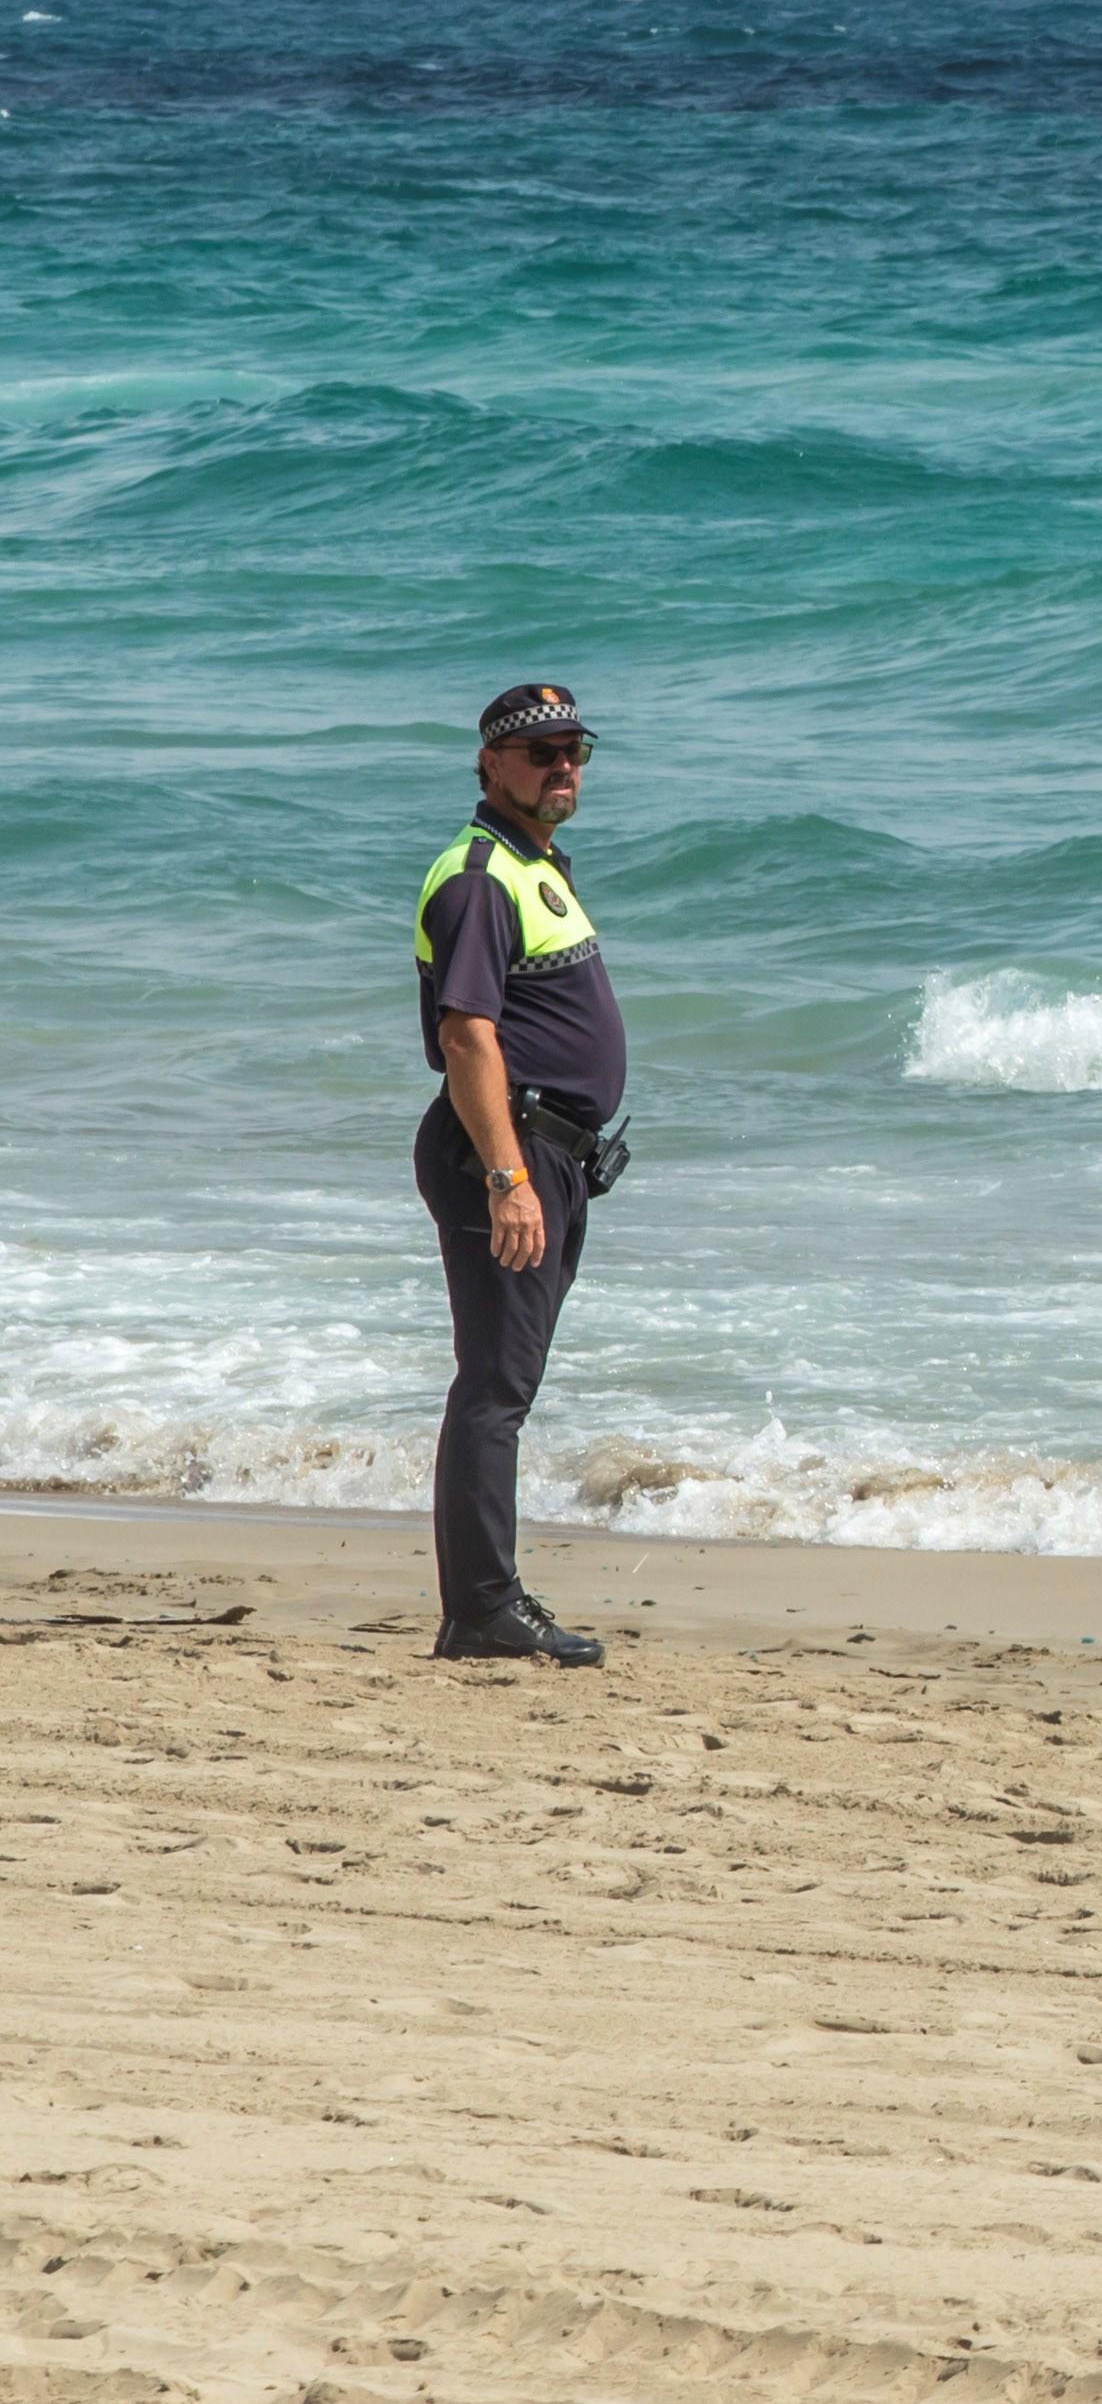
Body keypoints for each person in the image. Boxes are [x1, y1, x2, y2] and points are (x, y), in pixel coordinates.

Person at [409, 682, 628, 1670]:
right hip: (504, 1149)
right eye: (541, 753)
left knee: (509, 1380)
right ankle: (483, 1608)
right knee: (494, 1384)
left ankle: (486, 1602)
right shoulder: (477, 876)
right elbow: (466, 1036)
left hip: (550, 1151)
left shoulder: (536, 864)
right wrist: (507, 1176)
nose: (563, 766)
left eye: (575, 748)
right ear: (491, 763)